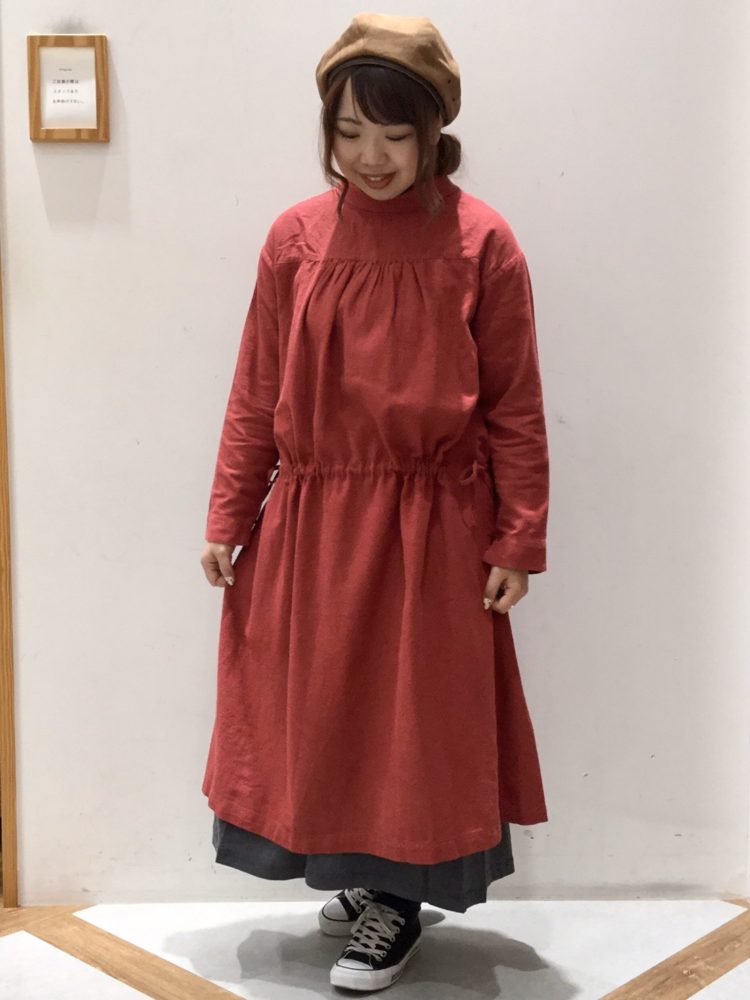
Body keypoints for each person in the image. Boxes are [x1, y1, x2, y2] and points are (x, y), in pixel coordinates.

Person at [199, 12, 550, 992]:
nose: (371, 156)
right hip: (312, 520)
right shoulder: (295, 238)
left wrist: (518, 537)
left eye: (396, 133)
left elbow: (516, 405)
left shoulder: (482, 242)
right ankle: (359, 877)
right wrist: (230, 514)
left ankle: (396, 900)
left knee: (414, 719)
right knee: (324, 710)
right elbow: (256, 390)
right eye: (349, 131)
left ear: (435, 130)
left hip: (432, 527)